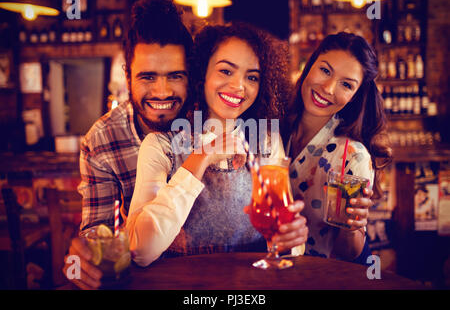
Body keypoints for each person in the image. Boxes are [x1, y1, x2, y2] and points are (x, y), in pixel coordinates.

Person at [127, 22, 308, 267]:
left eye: (252, 77)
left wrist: (291, 241)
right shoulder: (161, 146)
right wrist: (200, 157)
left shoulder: (266, 140)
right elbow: (141, 250)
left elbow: (286, 248)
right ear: (201, 74)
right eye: (225, 71)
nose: (239, 86)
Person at [62, 0, 193, 289]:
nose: (162, 92)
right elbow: (98, 229)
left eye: (175, 76)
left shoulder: (211, 121)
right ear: (127, 76)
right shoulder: (102, 139)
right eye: (147, 77)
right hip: (146, 279)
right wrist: (82, 256)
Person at [283, 32, 392, 263]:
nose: (329, 88)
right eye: (325, 70)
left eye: (346, 84)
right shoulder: (275, 129)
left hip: (320, 278)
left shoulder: (352, 156)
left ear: (354, 96)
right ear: (310, 65)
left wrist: (352, 227)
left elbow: (349, 253)